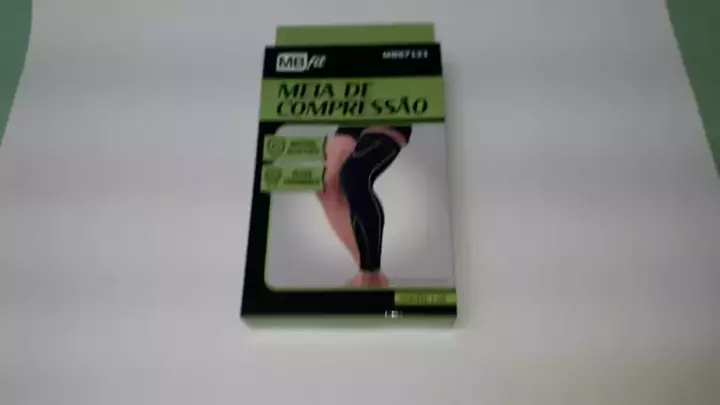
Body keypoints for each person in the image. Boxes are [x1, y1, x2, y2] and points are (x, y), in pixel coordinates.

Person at [316, 125, 411, 287]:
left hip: (381, 119)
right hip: (353, 118)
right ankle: (369, 271)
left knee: (354, 176)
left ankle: (370, 272)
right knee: (327, 188)